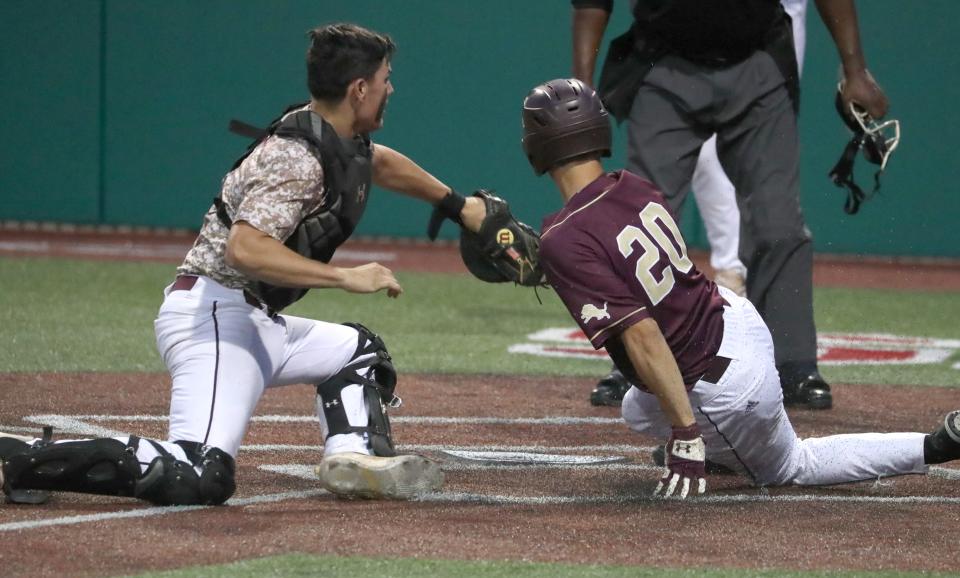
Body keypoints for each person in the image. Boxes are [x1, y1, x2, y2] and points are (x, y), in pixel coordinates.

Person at [0, 23, 492, 506]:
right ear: (359, 89)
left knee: (358, 352)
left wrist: (457, 206)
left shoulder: (337, 139)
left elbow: (379, 162)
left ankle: (352, 456)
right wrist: (343, 277)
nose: (391, 88)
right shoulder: (296, 159)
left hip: (256, 320)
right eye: (385, 78)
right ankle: (18, 457)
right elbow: (247, 249)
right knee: (198, 473)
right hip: (215, 320)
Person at [520, 77, 960, 499]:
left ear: (538, 146)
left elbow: (643, 337)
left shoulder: (563, 238)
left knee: (793, 465)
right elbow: (601, 255)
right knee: (637, 407)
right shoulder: (631, 185)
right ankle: (725, 446)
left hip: (725, 385)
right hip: (736, 319)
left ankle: (938, 444)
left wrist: (687, 434)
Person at [571, 0, 890, 411]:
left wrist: (855, 68)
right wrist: (582, 84)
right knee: (641, 225)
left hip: (757, 62)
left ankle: (791, 364)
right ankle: (635, 360)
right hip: (662, 61)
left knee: (779, 224)